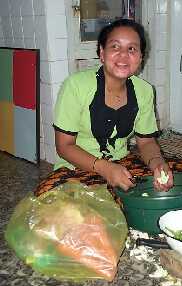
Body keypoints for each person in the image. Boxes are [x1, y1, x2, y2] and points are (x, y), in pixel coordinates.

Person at [38, 19, 174, 194]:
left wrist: (158, 163)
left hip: (122, 163)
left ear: (140, 57)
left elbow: (146, 141)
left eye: (132, 49)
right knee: (66, 210)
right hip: (77, 168)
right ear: (102, 53)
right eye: (115, 47)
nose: (124, 55)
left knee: (180, 177)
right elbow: (64, 146)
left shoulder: (144, 91)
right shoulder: (76, 86)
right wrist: (105, 169)